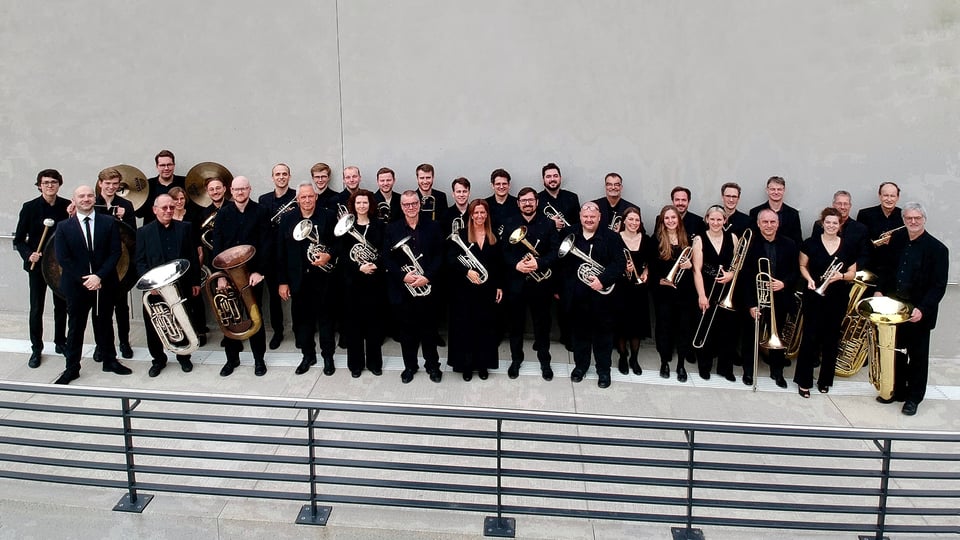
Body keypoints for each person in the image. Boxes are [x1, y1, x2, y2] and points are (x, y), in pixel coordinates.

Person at [874, 202, 948, 416]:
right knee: (895, 351)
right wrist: (879, 290)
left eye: (917, 218)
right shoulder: (896, 240)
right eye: (909, 218)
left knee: (917, 356)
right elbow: (886, 268)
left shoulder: (938, 249)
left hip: (918, 312)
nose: (913, 222)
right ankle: (897, 390)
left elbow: (938, 286)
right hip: (894, 308)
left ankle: (913, 398)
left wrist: (922, 309)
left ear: (924, 219)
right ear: (904, 220)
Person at [53, 185, 132, 384]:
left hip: (104, 282)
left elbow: (115, 252)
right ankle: (72, 368)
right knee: (76, 327)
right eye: (81, 196)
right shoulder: (63, 227)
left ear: (93, 198)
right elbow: (63, 259)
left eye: (89, 195)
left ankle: (109, 361)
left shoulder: (109, 222)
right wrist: (87, 279)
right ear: (74, 200)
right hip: (77, 285)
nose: (86, 199)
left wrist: (99, 277)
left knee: (105, 322)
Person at [560, 202, 626, 388]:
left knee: (603, 336)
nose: (588, 220)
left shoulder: (612, 237)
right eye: (585, 217)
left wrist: (603, 280)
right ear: (580, 216)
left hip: (602, 297)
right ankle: (580, 366)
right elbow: (562, 264)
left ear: (599, 217)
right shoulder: (571, 234)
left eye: (592, 217)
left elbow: (619, 263)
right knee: (579, 334)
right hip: (577, 295)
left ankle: (603, 371)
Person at [211, 176, 272, 377]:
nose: (240, 192)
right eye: (236, 189)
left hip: (252, 275)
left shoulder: (261, 211)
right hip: (228, 276)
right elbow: (218, 246)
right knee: (229, 317)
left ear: (249, 189)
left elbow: (266, 244)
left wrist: (259, 271)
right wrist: (220, 276)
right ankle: (232, 359)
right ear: (231, 190)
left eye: (243, 189)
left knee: (256, 316)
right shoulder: (222, 214)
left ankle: (259, 359)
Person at [794, 207, 858, 398]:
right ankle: (804, 381)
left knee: (831, 339)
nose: (831, 225)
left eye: (835, 223)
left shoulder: (848, 246)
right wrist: (809, 279)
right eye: (828, 222)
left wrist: (841, 276)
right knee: (810, 338)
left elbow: (853, 273)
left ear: (840, 225)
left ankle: (825, 380)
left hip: (837, 298)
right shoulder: (810, 244)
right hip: (814, 295)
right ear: (822, 223)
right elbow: (802, 265)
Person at [135, 194, 201, 377]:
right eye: (164, 208)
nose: (168, 211)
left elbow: (193, 258)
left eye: (171, 207)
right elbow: (139, 261)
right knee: (154, 325)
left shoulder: (185, 228)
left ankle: (184, 357)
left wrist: (196, 281)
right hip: (154, 289)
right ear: (155, 209)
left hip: (182, 286)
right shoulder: (143, 232)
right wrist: (149, 284)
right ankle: (158, 360)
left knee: (183, 321)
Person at [383, 190, 445, 383]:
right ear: (401, 207)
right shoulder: (392, 229)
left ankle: (432, 366)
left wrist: (427, 277)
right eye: (406, 204)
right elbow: (386, 258)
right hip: (404, 290)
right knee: (406, 332)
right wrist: (403, 276)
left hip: (427, 287)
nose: (410, 207)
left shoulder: (433, 226)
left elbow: (439, 256)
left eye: (414, 203)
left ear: (419, 204)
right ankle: (410, 366)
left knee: (428, 330)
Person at [278, 182, 337, 375]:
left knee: (326, 319)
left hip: (324, 279)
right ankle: (308, 355)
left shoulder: (328, 216)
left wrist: (329, 255)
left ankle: (328, 357)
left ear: (316, 197)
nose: (307, 200)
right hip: (298, 279)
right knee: (303, 321)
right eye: (303, 197)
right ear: (297, 199)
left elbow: (339, 244)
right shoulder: (287, 219)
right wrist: (283, 281)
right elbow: (281, 253)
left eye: (310, 196)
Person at [14, 168, 70, 368]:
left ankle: (60, 342)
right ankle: (36, 348)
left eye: (53, 182)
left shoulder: (67, 207)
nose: (49, 185)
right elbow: (19, 240)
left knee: (61, 306)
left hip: (60, 267)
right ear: (39, 185)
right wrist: (29, 253)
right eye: (45, 182)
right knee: (37, 307)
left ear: (59, 184)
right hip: (37, 266)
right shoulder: (29, 208)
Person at [503, 187, 559, 380]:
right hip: (516, 283)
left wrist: (539, 262)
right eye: (523, 200)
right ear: (518, 203)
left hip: (541, 284)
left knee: (542, 325)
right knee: (515, 325)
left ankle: (545, 361)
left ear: (537, 202)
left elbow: (555, 252)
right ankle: (516, 359)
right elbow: (503, 252)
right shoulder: (509, 222)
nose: (527, 203)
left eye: (530, 200)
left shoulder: (548, 224)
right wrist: (516, 264)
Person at [739, 209, 799, 388]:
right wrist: (750, 304)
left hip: (780, 297)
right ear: (758, 224)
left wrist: (784, 283)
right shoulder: (750, 244)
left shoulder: (789, 244)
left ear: (778, 224)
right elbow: (744, 276)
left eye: (772, 222)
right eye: (765, 222)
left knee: (777, 335)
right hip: (756, 298)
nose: (769, 226)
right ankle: (748, 371)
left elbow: (795, 272)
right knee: (750, 336)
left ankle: (777, 371)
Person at [446, 199, 503, 380]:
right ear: (471, 215)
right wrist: (466, 271)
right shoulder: (461, 235)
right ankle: (467, 366)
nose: (479, 216)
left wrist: (499, 285)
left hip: (486, 289)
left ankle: (483, 365)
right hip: (464, 290)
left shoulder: (493, 237)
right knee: (465, 328)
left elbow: (498, 264)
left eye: (483, 213)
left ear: (487, 215)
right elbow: (450, 259)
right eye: (476, 213)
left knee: (485, 327)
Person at [337, 188, 385, 377]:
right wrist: (359, 268)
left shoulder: (379, 226)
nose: (362, 205)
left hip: (374, 281)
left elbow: (384, 251)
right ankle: (355, 365)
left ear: (370, 204)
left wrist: (374, 264)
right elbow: (342, 254)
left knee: (374, 324)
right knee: (353, 325)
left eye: (365, 202)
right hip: (353, 283)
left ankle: (374, 363)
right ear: (353, 205)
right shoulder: (346, 227)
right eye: (358, 203)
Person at [691, 205, 740, 382]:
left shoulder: (733, 237)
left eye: (720, 219)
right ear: (707, 219)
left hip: (727, 289)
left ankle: (725, 368)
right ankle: (704, 366)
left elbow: (736, 264)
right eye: (712, 219)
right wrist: (702, 295)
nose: (716, 222)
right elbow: (696, 270)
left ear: (725, 221)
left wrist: (731, 274)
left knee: (727, 330)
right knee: (706, 327)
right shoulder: (699, 239)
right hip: (707, 287)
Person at [94, 167, 137, 360]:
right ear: (100, 183)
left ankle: (124, 342)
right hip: (97, 264)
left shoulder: (126, 204)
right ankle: (100, 345)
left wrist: (122, 219)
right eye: (108, 183)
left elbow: (132, 234)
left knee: (121, 307)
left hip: (121, 263)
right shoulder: (91, 203)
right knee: (99, 309)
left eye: (115, 184)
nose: (111, 187)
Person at [650, 205, 694, 382]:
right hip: (664, 292)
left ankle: (681, 364)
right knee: (664, 327)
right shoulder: (656, 240)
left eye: (673, 218)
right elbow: (651, 266)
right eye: (666, 218)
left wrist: (689, 267)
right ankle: (664, 361)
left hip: (684, 291)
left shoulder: (687, 240)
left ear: (679, 220)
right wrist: (659, 280)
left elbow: (696, 267)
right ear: (662, 221)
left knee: (683, 328)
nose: (670, 221)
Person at [258, 163, 296, 350]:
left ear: (289, 176)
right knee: (274, 296)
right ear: (272, 177)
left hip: (293, 252)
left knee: (298, 295)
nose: (281, 177)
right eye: (277, 174)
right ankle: (278, 331)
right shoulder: (263, 200)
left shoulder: (297, 197)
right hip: (273, 255)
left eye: (284, 174)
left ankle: (299, 329)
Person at [615, 206, 653, 375]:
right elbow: (610, 261)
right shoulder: (615, 238)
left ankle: (634, 358)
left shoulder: (646, 239)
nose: (633, 222)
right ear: (624, 221)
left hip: (639, 289)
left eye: (637, 220)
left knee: (636, 325)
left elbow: (651, 262)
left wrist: (645, 272)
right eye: (630, 219)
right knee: (622, 324)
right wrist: (624, 269)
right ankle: (623, 356)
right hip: (621, 288)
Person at [810, 190, 869, 270]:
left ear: (850, 206)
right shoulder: (819, 225)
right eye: (839, 203)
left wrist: (850, 272)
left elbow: (864, 255)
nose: (842, 207)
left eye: (846, 204)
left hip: (850, 276)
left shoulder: (860, 228)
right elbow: (813, 250)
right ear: (833, 205)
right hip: (824, 273)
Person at [856, 181, 903, 275]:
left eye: (892, 196)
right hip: (870, 266)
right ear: (880, 196)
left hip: (895, 267)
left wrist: (893, 241)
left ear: (897, 197)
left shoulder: (904, 216)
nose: (889, 199)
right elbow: (859, 242)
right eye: (886, 195)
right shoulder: (865, 214)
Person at [748, 176, 803, 246]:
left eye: (779, 189)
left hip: (785, 255)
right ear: (767, 190)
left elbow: (798, 241)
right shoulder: (755, 212)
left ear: (784, 190)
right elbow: (752, 239)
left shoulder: (793, 214)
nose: (776, 192)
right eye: (772, 189)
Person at [138, 149, 188, 224]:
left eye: (169, 165)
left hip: (180, 230)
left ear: (174, 165)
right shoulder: (147, 185)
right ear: (157, 166)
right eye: (162, 165)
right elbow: (139, 213)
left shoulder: (185, 183)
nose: (166, 168)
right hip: (154, 231)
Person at [537, 162, 580, 232]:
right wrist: (550, 223)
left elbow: (578, 223)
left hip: (569, 238)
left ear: (560, 178)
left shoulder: (572, 197)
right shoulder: (537, 199)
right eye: (548, 177)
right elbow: (535, 225)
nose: (552, 179)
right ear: (543, 180)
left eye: (555, 176)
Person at [485, 168, 519, 240]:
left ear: (509, 185)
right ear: (492, 185)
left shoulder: (518, 203)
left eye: (504, 184)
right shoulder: (485, 204)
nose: (501, 187)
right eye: (498, 184)